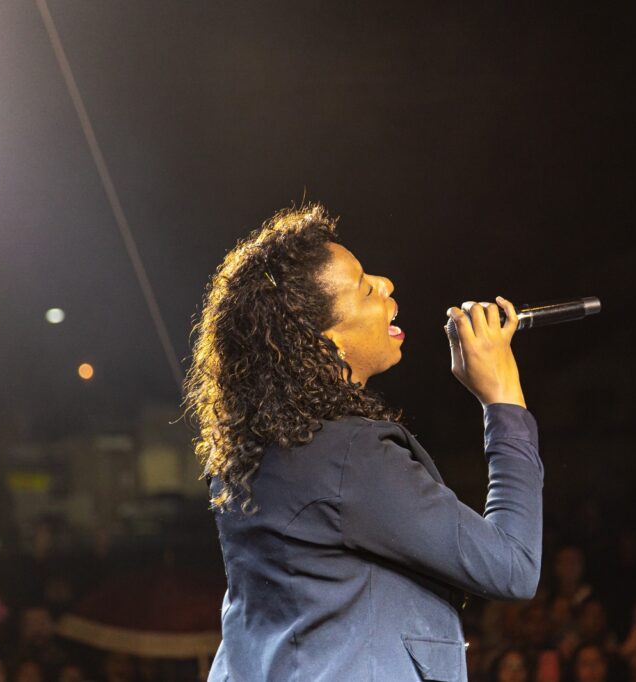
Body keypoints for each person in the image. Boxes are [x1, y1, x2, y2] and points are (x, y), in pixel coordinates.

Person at [184, 204, 545, 681]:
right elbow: (513, 566)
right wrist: (503, 400)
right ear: (325, 342)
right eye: (365, 287)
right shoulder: (347, 454)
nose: (387, 284)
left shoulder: (252, 450)